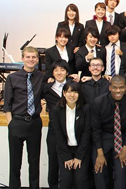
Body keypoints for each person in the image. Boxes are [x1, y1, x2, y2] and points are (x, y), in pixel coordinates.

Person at [4, 46, 46, 189]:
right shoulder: (12, 78)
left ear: (37, 59)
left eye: (33, 57)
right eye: (28, 57)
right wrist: (11, 124)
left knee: (34, 162)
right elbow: (7, 104)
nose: (31, 59)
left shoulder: (41, 76)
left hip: (34, 123)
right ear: (22, 58)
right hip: (17, 123)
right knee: (15, 163)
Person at [91, 75, 126, 189]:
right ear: (110, 88)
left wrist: (125, 149)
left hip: (122, 137)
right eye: (115, 88)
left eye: (121, 87)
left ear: (125, 88)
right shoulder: (99, 102)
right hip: (103, 137)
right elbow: (96, 130)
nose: (118, 91)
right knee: (99, 169)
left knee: (121, 171)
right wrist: (100, 154)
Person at [51, 81, 91, 189]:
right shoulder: (56, 110)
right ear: (64, 93)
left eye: (75, 92)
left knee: (80, 179)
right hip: (64, 150)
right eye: (69, 92)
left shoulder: (85, 109)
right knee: (65, 180)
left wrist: (79, 156)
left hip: (81, 150)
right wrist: (67, 157)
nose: (72, 95)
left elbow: (86, 133)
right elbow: (58, 134)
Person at [42, 60, 74, 189]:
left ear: (67, 72)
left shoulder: (74, 86)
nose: (59, 73)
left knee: (69, 165)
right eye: (56, 70)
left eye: (62, 70)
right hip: (54, 131)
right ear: (52, 73)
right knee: (53, 163)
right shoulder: (46, 88)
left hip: (71, 131)